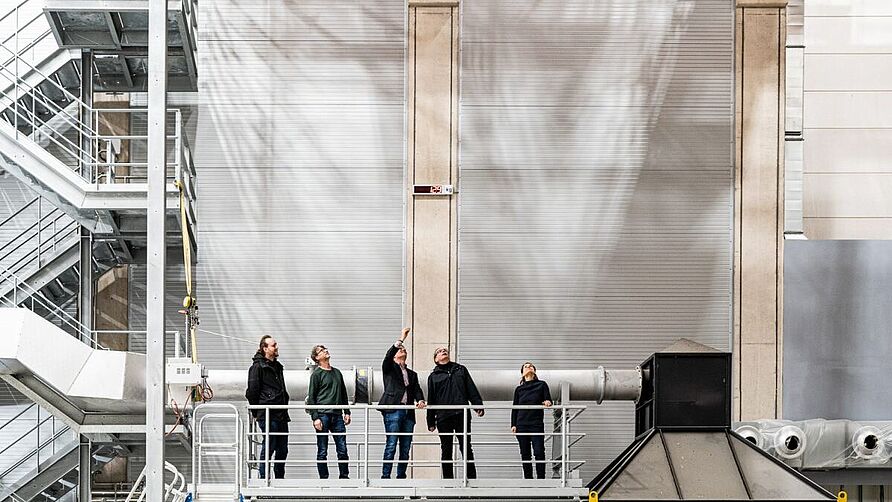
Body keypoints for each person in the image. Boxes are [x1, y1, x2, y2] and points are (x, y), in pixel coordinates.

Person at [426, 346, 484, 479]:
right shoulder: (433, 376)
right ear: (436, 359)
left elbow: (470, 388)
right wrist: (430, 421)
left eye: (444, 350)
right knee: (446, 449)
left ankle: (471, 480)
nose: (443, 351)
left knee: (466, 447)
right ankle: (448, 482)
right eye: (439, 351)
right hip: (443, 417)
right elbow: (431, 399)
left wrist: (477, 405)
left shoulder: (460, 369)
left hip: (461, 414)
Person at [379, 327, 426, 479]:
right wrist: (401, 339)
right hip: (393, 410)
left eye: (404, 349)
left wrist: (420, 399)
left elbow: (417, 389)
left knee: (405, 448)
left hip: (408, 412)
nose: (402, 350)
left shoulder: (412, 374)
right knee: (391, 444)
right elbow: (388, 356)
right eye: (400, 350)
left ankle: (401, 477)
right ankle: (385, 478)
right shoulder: (389, 368)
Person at [245, 335, 290, 479]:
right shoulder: (257, 367)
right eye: (273, 345)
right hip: (267, 412)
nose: (276, 347)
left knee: (283, 449)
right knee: (270, 445)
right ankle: (263, 477)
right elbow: (252, 392)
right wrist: (256, 412)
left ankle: (279, 478)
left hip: (281, 413)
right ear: (265, 348)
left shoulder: (277, 367)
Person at [307, 344, 352, 479]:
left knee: (342, 448)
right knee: (322, 450)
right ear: (316, 358)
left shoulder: (337, 372)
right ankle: (324, 479)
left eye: (325, 349)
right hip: (322, 415)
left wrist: (347, 412)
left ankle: (344, 477)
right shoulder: (316, 375)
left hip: (337, 415)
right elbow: (311, 398)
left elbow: (343, 394)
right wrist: (315, 418)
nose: (325, 351)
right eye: (321, 350)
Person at [511, 362, 552, 479]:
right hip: (521, 424)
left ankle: (541, 478)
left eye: (531, 366)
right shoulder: (519, 389)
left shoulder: (542, 384)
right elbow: (515, 408)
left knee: (539, 451)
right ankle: (528, 479)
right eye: (526, 366)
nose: (529, 367)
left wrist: (547, 402)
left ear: (534, 371)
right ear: (522, 373)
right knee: (525, 453)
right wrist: (513, 424)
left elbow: (547, 398)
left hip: (536, 423)